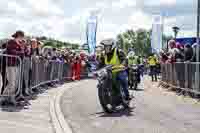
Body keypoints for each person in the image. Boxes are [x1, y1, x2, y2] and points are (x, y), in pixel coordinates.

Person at [4, 30, 25, 103]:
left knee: (15, 83)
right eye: (22, 36)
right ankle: (3, 97)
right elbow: (12, 51)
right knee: (11, 83)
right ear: (19, 36)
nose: (22, 38)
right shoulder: (11, 42)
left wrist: (21, 50)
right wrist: (20, 53)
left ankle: (11, 98)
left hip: (16, 64)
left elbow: (22, 53)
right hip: (10, 65)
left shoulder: (19, 43)